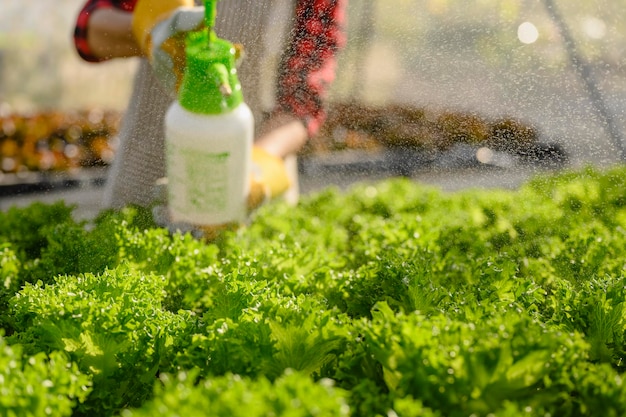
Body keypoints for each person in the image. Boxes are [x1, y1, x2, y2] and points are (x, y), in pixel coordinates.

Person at [73, 0, 347, 213]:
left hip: (257, 177)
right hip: (148, 171)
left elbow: (302, 102)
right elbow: (89, 30)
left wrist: (249, 174)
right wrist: (151, 29)